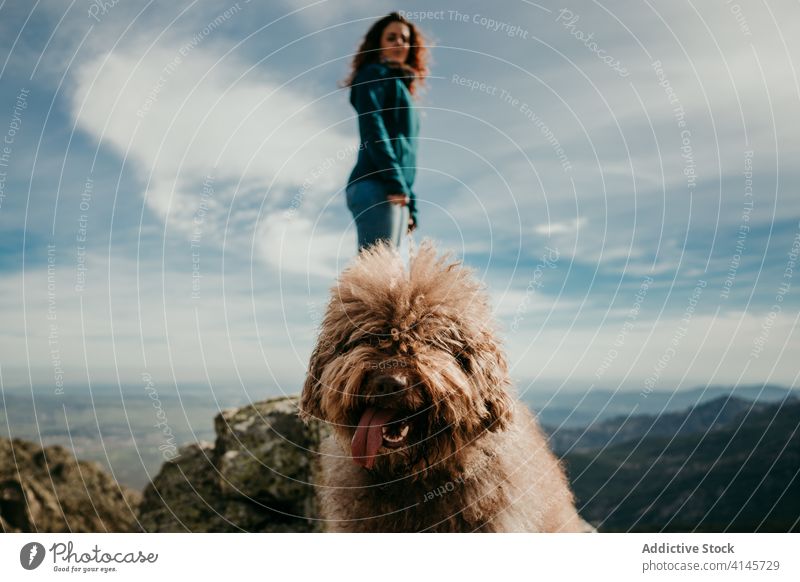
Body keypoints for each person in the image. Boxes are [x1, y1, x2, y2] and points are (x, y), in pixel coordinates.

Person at [343, 12, 429, 251]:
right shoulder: (373, 74)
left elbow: (407, 152)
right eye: (391, 37)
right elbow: (373, 126)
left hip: (394, 188)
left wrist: (411, 205)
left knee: (390, 277)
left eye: (404, 38)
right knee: (376, 281)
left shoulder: (401, 88)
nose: (399, 42)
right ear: (378, 44)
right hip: (376, 183)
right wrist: (394, 182)